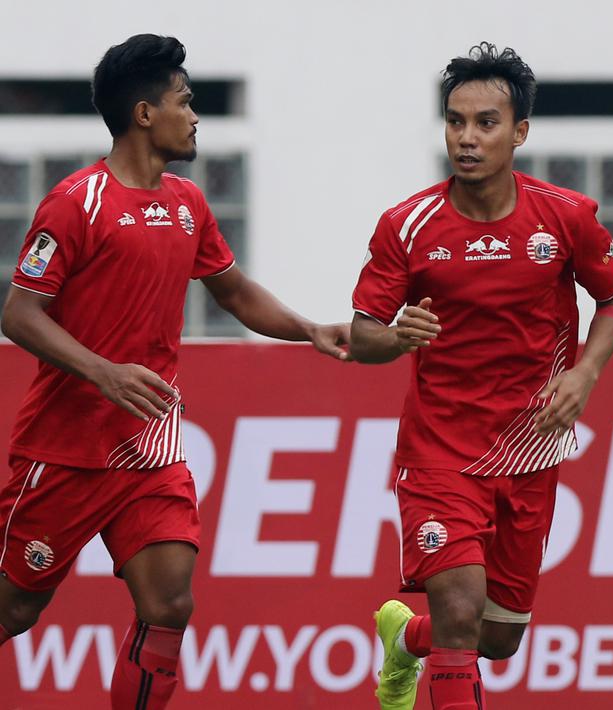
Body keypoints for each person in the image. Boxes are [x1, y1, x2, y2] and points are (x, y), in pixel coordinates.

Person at [0, 34, 350, 709]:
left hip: (150, 448)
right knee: (15, 612)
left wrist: (309, 328)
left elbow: (236, 292)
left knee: (170, 606)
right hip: (65, 450)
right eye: (185, 102)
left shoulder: (187, 202)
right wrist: (103, 372)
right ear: (143, 114)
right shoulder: (77, 203)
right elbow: (19, 315)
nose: (194, 117)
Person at [349, 42, 613, 710]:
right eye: (455, 122)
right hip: (440, 451)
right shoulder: (408, 225)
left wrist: (584, 374)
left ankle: (403, 641)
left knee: (496, 639)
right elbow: (361, 335)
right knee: (457, 611)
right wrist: (395, 338)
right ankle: (429, 640)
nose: (466, 138)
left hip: (528, 452)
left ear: (519, 132)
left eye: (485, 123)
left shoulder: (565, 217)